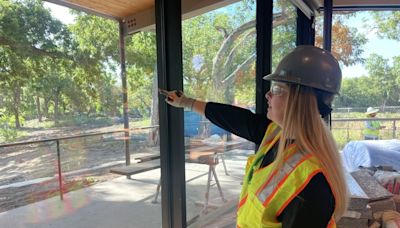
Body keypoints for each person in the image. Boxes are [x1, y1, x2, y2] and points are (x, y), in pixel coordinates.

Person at [160, 45, 348, 227]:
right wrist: (187, 102)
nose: (267, 94)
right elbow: (235, 119)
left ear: (299, 100)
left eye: (276, 89)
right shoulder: (275, 133)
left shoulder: (313, 184)